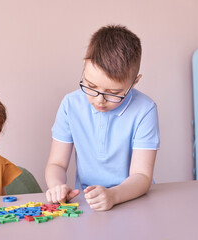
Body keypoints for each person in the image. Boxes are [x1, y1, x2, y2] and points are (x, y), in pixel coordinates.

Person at [45, 25, 160, 211]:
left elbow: (142, 175)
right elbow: (56, 163)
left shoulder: (145, 110)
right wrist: (56, 186)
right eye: (90, 85)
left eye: (113, 92)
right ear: (84, 67)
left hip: (132, 200)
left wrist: (113, 196)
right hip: (86, 202)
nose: (99, 100)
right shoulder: (70, 105)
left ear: (134, 82)